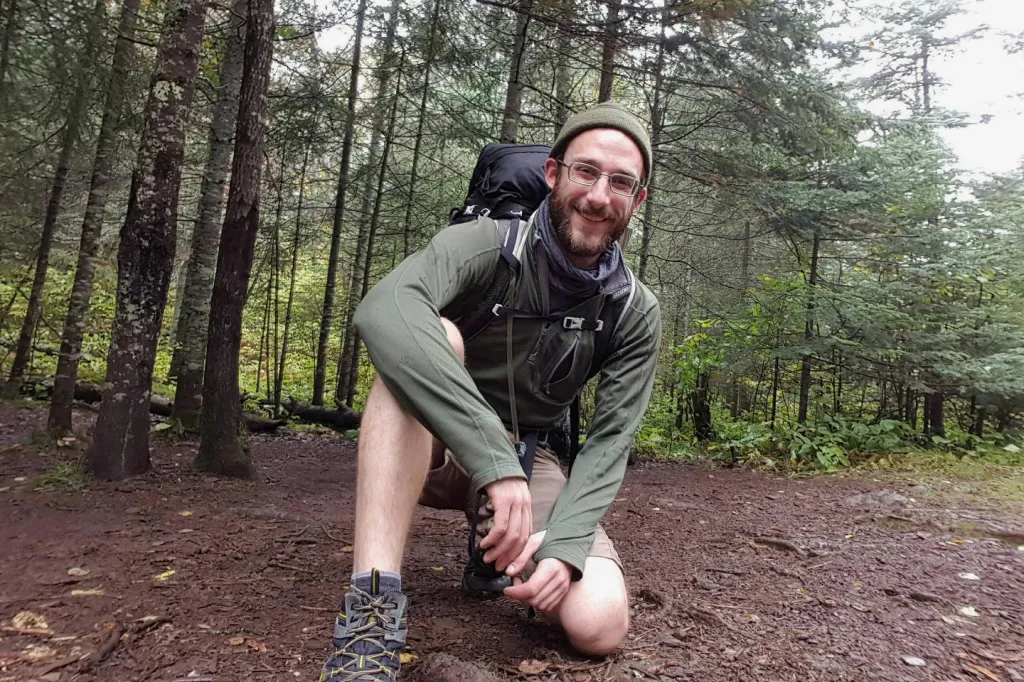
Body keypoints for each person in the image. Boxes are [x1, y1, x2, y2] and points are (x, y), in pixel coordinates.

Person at [319, 101, 662, 681]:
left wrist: (569, 546)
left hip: (532, 460)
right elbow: (384, 311)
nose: (599, 196)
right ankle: (372, 611)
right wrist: (493, 462)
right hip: (434, 446)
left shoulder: (632, 308)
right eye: (586, 172)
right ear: (554, 174)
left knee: (599, 624)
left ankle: (498, 545)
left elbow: (609, 443)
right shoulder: (485, 244)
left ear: (637, 200)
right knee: (435, 337)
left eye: (621, 182)